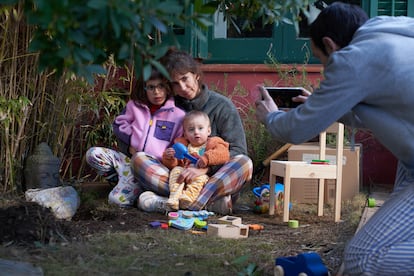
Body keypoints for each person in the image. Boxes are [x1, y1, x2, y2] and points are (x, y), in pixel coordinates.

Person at [255, 2, 414, 275]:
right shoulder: (393, 28)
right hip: (410, 159)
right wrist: (326, 104)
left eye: (321, 59)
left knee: (361, 258)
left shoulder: (351, 59)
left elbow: (296, 130)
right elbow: (384, 111)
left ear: (330, 44)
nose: (326, 67)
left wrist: (271, 117)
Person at [135, 49, 253, 215]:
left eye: (185, 79)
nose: (182, 87)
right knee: (139, 159)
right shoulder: (169, 107)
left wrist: (204, 169)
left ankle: (176, 203)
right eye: (175, 83)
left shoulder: (222, 106)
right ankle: (205, 204)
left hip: (213, 179)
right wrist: (170, 158)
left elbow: (238, 150)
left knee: (244, 162)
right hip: (178, 178)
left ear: (196, 75)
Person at [85, 67, 186, 207]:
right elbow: (119, 124)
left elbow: (179, 144)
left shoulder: (178, 115)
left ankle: (144, 190)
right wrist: (131, 141)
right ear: (144, 89)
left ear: (168, 87)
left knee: (115, 200)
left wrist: (168, 157)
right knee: (93, 154)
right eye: (151, 87)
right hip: (129, 162)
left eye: (161, 86)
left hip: (155, 167)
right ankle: (125, 181)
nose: (156, 92)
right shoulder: (135, 106)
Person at [162, 110, 230, 210]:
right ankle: (174, 197)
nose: (196, 132)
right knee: (176, 171)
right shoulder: (183, 145)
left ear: (208, 131)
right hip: (184, 174)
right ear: (185, 134)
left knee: (201, 179)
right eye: (191, 129)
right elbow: (174, 164)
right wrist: (169, 157)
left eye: (200, 128)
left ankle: (188, 198)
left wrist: (207, 158)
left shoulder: (213, 143)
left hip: (202, 176)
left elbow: (224, 154)